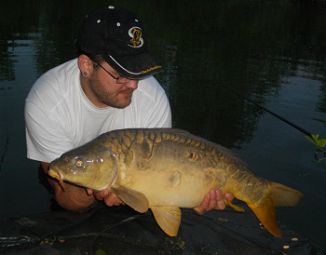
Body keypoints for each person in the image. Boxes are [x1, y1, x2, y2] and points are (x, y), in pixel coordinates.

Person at [25, 5, 232, 215]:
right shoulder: (48, 101)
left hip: (134, 184)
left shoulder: (153, 99)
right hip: (75, 175)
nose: (134, 85)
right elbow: (66, 197)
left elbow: (163, 181)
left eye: (137, 70)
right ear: (86, 65)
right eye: (120, 74)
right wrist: (96, 191)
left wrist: (193, 193)